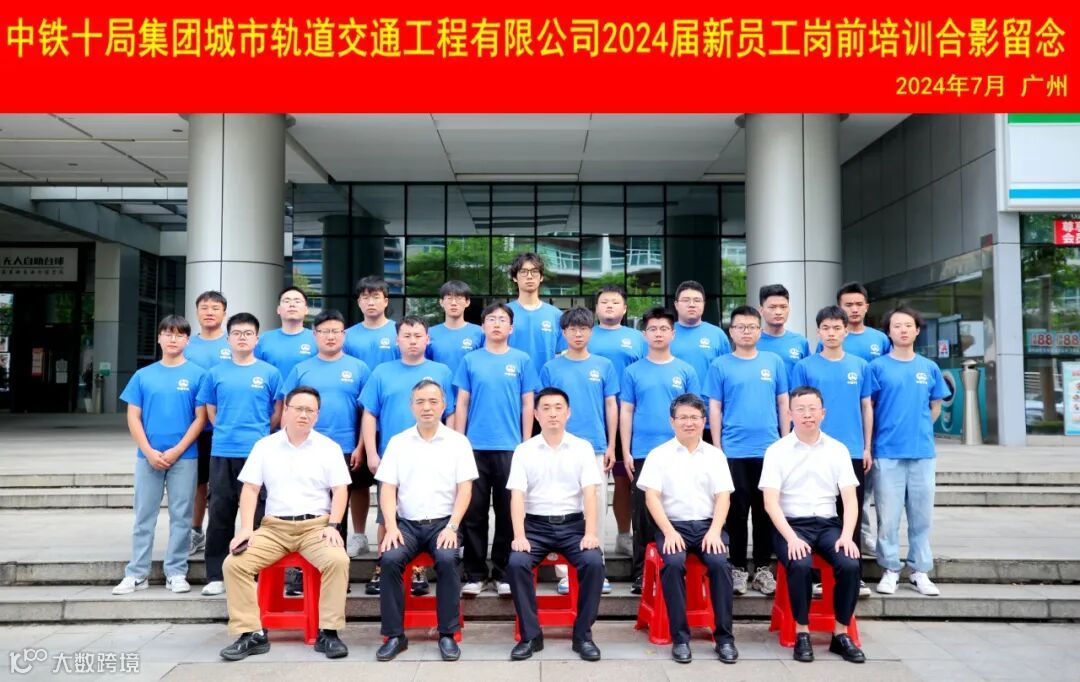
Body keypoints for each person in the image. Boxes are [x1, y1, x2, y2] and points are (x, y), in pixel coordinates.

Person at [219, 386, 352, 661]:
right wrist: (246, 529)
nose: (303, 415)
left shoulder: (329, 448)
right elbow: (250, 489)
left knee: (338, 560)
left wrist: (334, 526)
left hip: (316, 527)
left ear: (317, 415)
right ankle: (251, 633)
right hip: (273, 529)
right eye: (298, 409)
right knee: (234, 564)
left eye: (310, 410)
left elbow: (340, 490)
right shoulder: (265, 446)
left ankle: (328, 632)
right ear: (286, 411)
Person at [759, 386, 866, 664]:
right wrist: (791, 538)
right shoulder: (777, 451)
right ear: (790, 414)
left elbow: (850, 500)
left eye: (812, 409)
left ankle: (841, 634)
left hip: (829, 525)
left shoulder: (838, 449)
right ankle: (802, 632)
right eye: (801, 409)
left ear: (823, 413)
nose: (807, 415)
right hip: (791, 525)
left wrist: (847, 536)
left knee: (850, 563)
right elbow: (770, 502)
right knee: (801, 564)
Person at [375, 379, 476, 662]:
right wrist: (391, 526)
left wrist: (453, 526)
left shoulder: (458, 442)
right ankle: (395, 635)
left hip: (444, 523)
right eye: (420, 402)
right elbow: (387, 488)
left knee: (447, 558)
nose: (427, 407)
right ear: (411, 407)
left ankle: (447, 633)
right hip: (406, 524)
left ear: (444, 406)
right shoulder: (398, 442)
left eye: (433, 401)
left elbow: (465, 489)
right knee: (390, 559)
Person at [506, 388, 605, 662]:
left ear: (568, 413)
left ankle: (583, 635)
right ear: (536, 414)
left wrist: (591, 532)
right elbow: (517, 495)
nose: (552, 413)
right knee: (516, 563)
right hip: (535, 527)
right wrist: (519, 535)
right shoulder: (524, 450)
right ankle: (530, 636)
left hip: (573, 526)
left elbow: (590, 493)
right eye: (546, 408)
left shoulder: (582, 447)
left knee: (593, 562)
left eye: (558, 407)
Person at [638, 394, 738, 665]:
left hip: (708, 525)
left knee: (720, 564)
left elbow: (723, 497)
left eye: (694, 417)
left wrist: (715, 531)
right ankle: (680, 638)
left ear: (704, 421)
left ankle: (725, 638)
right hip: (673, 526)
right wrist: (669, 532)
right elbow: (651, 497)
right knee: (673, 564)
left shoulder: (715, 456)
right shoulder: (659, 455)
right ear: (672, 422)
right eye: (683, 417)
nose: (689, 422)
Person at [278, 309, 371, 595]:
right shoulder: (301, 369)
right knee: (304, 509)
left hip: (345, 449)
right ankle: (299, 577)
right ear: (315, 335)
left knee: (337, 514)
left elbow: (367, 413)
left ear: (344, 335)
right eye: (324, 331)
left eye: (336, 331)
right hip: (305, 448)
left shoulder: (358, 368)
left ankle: (337, 577)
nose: (330, 336)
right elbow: (287, 411)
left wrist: (360, 447)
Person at [361, 316, 456, 596]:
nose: (412, 341)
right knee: (387, 515)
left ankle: (418, 571)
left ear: (428, 339)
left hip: (434, 454)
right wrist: (371, 452)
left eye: (418, 336)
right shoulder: (382, 372)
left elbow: (450, 413)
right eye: (407, 336)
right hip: (393, 456)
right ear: (397, 340)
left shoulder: (441, 371)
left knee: (425, 512)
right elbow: (369, 413)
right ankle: (382, 566)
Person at [113, 315, 207, 596]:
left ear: (187, 340)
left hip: (185, 456)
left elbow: (201, 418)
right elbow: (133, 417)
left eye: (179, 335)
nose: (173, 339)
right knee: (144, 516)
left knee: (181, 517)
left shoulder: (198, 375)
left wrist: (177, 450)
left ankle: (176, 571)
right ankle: (136, 573)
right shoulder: (143, 375)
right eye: (168, 333)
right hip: (148, 457)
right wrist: (148, 451)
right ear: (159, 338)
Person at [454, 302, 540, 597]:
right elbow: (462, 402)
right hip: (474, 447)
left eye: (502, 320)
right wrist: (460, 441)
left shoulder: (522, 360)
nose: (496, 324)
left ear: (511, 328)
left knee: (507, 512)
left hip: (510, 447)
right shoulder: (470, 360)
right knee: (474, 513)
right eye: (491, 319)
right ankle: (475, 573)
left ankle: (503, 572)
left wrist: (526, 443)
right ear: (483, 326)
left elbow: (528, 403)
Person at [196, 313, 283, 596]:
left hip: (258, 453)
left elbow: (277, 412)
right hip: (223, 451)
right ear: (228, 338)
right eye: (237, 333)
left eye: (248, 333)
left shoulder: (270, 373)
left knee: (258, 515)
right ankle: (216, 575)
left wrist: (261, 434)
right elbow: (211, 410)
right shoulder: (215, 373)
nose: (242, 338)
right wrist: (225, 430)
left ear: (257, 339)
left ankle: (255, 572)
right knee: (220, 512)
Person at [704, 306, 788, 597]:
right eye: (740, 327)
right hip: (734, 450)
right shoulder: (720, 365)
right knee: (735, 513)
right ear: (731, 332)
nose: (746, 331)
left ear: (760, 331)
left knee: (766, 511)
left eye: (752, 326)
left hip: (769, 449)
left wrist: (785, 441)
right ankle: (738, 567)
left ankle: (763, 568)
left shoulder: (773, 362)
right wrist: (717, 446)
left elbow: (783, 402)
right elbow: (715, 406)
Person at [791, 306, 875, 598]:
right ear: (818, 332)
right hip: (812, 448)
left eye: (837, 328)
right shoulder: (804, 367)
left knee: (850, 510)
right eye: (826, 328)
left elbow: (866, 406)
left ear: (845, 331)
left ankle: (854, 574)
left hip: (851, 449)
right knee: (815, 510)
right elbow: (796, 407)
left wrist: (866, 446)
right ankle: (816, 576)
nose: (831, 333)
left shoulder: (860, 365)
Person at [620, 307, 700, 594]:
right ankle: (642, 573)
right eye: (652, 329)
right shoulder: (632, 371)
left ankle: (682, 569)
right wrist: (626, 450)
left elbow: (694, 413)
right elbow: (626, 410)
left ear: (673, 334)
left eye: (663, 329)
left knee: (679, 508)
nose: (658, 334)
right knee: (642, 514)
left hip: (679, 451)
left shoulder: (686, 370)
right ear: (644, 334)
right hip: (644, 451)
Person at [539, 307, 618, 595]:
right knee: (564, 504)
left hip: (595, 445)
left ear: (591, 332)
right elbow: (543, 407)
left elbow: (611, 405)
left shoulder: (604, 365)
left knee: (595, 505)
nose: (578, 333)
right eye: (572, 329)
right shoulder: (551, 367)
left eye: (583, 328)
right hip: (558, 444)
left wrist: (611, 444)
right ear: (563, 333)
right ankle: (565, 572)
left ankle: (597, 566)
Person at [871, 305, 948, 597]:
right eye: (897, 326)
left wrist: (921, 427)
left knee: (921, 516)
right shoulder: (877, 367)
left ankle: (919, 570)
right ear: (888, 332)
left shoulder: (929, 367)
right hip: (887, 452)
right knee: (888, 517)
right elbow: (870, 407)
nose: (903, 330)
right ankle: (890, 569)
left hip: (922, 453)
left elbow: (936, 405)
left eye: (908, 325)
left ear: (917, 330)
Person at [817, 281, 891, 554]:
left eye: (859, 304)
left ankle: (858, 545)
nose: (854, 309)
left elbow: (869, 401)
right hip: (822, 441)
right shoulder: (813, 359)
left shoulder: (875, 346)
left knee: (858, 497)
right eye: (848, 304)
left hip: (858, 437)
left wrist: (867, 445)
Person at [588, 284, 645, 559]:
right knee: (591, 484)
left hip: (626, 418)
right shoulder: (585, 334)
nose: (609, 305)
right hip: (591, 417)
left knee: (623, 480)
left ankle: (624, 535)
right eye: (604, 301)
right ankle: (589, 538)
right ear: (596, 308)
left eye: (615, 302)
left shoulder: (637, 338)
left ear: (624, 308)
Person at [182, 290, 230, 556]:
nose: (209, 312)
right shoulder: (187, 345)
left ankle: (223, 534)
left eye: (215, 308)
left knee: (224, 486)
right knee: (198, 482)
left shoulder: (233, 343)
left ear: (224, 313)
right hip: (194, 427)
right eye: (204, 307)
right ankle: (195, 531)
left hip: (227, 427)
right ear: (197, 311)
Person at [669, 280, 731, 422]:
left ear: (704, 304)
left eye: (697, 300)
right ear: (676, 304)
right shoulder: (666, 333)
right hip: (673, 414)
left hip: (709, 414)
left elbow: (727, 374)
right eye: (686, 300)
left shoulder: (717, 335)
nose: (691, 304)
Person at [506, 252, 564, 370]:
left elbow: (561, 355)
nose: (529, 276)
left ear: (541, 277)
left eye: (534, 271)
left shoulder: (556, 315)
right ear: (514, 277)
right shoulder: (503, 313)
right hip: (512, 377)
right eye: (523, 271)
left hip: (545, 380)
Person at [254, 286, 316, 379]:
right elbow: (255, 371)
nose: (292, 305)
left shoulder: (317, 339)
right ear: (278, 310)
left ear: (306, 310)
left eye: (297, 301)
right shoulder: (263, 339)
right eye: (286, 301)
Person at [427, 280, 485, 376]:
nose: (454, 303)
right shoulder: (429, 333)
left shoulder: (480, 332)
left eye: (459, 298)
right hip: (438, 384)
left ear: (467, 302)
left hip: (469, 385)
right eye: (449, 298)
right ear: (441, 302)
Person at [756, 284, 810, 385]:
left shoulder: (800, 341)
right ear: (761, 310)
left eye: (783, 307)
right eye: (772, 307)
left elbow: (808, 376)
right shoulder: (752, 341)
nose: (778, 312)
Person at [344, 276, 401, 370]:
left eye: (376, 297)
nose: (370, 303)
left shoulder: (400, 332)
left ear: (386, 302)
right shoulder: (346, 335)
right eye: (365, 297)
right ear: (359, 302)